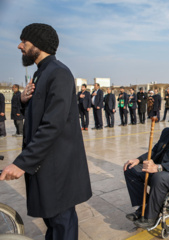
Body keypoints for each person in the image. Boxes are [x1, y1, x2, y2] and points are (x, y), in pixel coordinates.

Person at [0, 23, 92, 240]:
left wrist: (22, 162)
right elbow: (40, 114)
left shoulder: (58, 73)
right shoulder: (41, 73)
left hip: (57, 168)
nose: (20, 46)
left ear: (38, 45)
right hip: (46, 165)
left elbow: (53, 125)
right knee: (52, 222)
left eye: (25, 41)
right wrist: (23, 101)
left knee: (62, 223)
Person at [123, 106, 169, 228]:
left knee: (159, 177)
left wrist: (158, 167)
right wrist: (138, 160)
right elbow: (154, 151)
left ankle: (151, 217)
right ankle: (144, 207)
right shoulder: (166, 132)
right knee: (130, 169)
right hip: (161, 168)